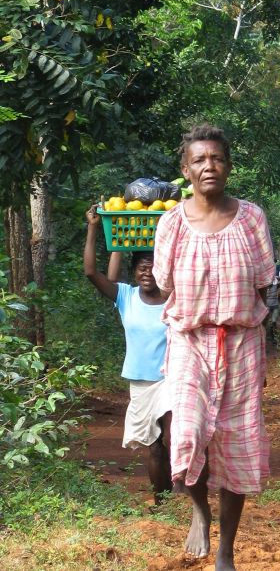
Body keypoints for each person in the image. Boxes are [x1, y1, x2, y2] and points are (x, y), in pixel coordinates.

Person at [152, 124, 274, 571]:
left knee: (238, 441)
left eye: (217, 159)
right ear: (186, 169)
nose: (209, 166)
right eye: (199, 160)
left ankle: (227, 550)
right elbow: (164, 283)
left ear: (229, 166)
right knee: (186, 430)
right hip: (189, 339)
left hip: (242, 342)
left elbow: (265, 278)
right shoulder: (171, 222)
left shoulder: (252, 218)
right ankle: (200, 512)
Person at [83, 208, 172, 507]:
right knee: (154, 447)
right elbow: (91, 273)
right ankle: (163, 499)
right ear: (134, 272)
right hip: (141, 383)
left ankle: (184, 493)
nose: (148, 272)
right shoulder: (125, 297)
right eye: (142, 268)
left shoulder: (176, 298)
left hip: (173, 378)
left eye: (154, 267)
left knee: (173, 438)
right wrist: (95, 228)